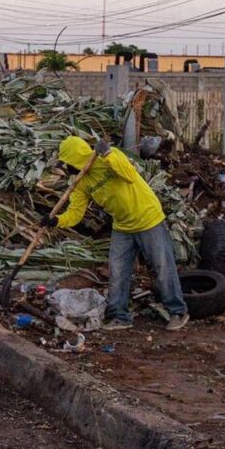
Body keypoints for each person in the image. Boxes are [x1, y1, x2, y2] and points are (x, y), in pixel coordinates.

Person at [50, 136, 189, 331]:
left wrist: (108, 154)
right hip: (123, 226)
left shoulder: (110, 158)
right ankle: (120, 316)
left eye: (67, 163)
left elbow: (129, 175)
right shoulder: (81, 182)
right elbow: (75, 212)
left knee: (163, 267)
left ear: (76, 157)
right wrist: (56, 221)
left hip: (148, 218)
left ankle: (177, 311)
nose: (67, 168)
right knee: (118, 272)